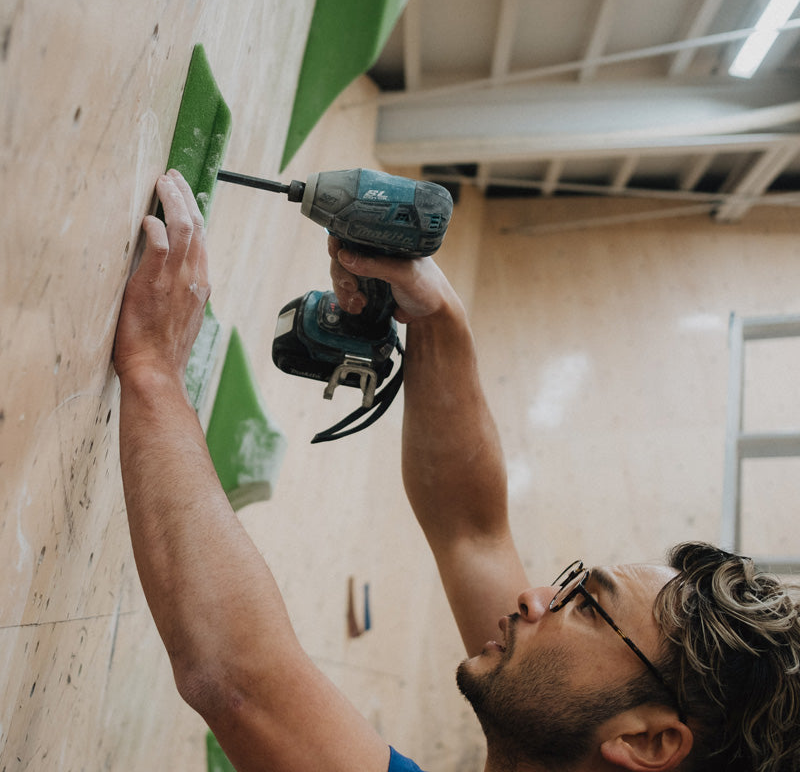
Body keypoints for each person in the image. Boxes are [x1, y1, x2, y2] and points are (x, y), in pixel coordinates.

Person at [115, 170, 800, 772]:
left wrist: (154, 369)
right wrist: (434, 314)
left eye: (587, 607)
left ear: (650, 743)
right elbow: (472, 530)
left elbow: (238, 682)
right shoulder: (562, 717)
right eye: (571, 589)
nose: (535, 598)